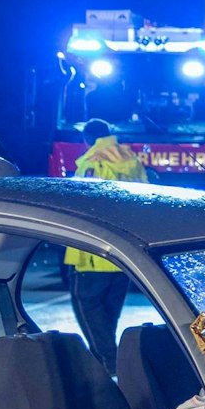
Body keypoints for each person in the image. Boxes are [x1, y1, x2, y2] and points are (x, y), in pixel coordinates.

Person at [66, 118, 147, 371]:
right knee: (108, 313)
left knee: (87, 305)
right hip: (124, 252)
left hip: (93, 252)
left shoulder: (93, 162)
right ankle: (107, 359)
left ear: (87, 138)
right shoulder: (130, 160)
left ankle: (109, 360)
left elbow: (86, 205)